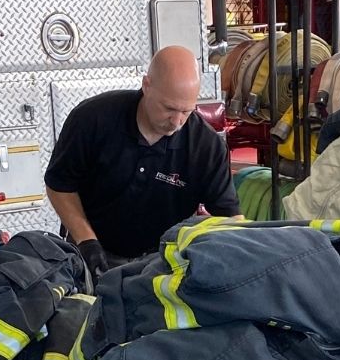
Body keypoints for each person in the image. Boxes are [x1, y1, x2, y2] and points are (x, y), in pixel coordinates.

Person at [45, 46, 241, 278]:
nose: (176, 121)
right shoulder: (93, 119)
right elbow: (59, 185)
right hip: (95, 252)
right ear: (146, 85)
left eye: (186, 111)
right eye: (169, 108)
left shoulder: (206, 146)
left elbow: (230, 218)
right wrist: (87, 242)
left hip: (163, 261)